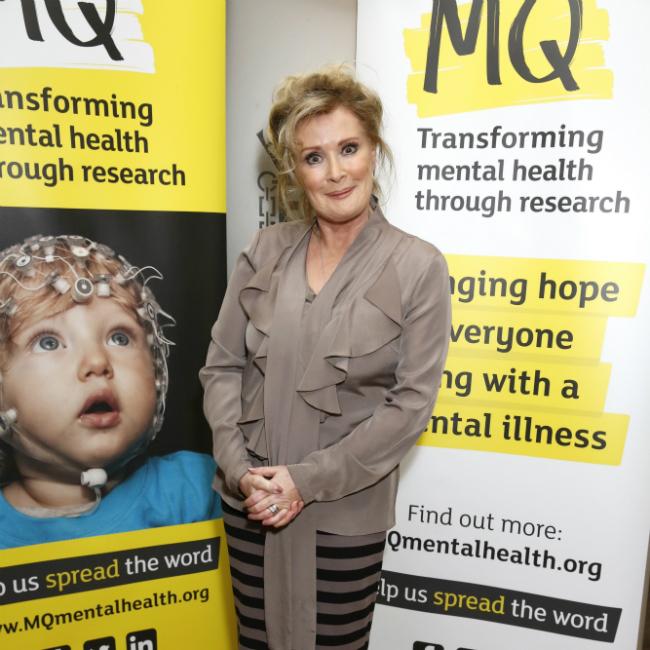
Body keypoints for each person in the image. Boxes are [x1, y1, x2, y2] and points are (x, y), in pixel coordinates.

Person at [200, 66, 451, 649]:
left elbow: (409, 407)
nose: (335, 172)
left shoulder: (418, 266)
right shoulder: (264, 250)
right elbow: (221, 367)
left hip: (343, 515)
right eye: (314, 157)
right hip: (251, 505)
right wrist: (240, 471)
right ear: (295, 170)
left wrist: (304, 482)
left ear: (374, 150)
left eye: (349, 149)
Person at [0, 235, 219, 548]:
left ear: (157, 369)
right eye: (49, 342)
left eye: (119, 338)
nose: (97, 362)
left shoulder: (198, 488)